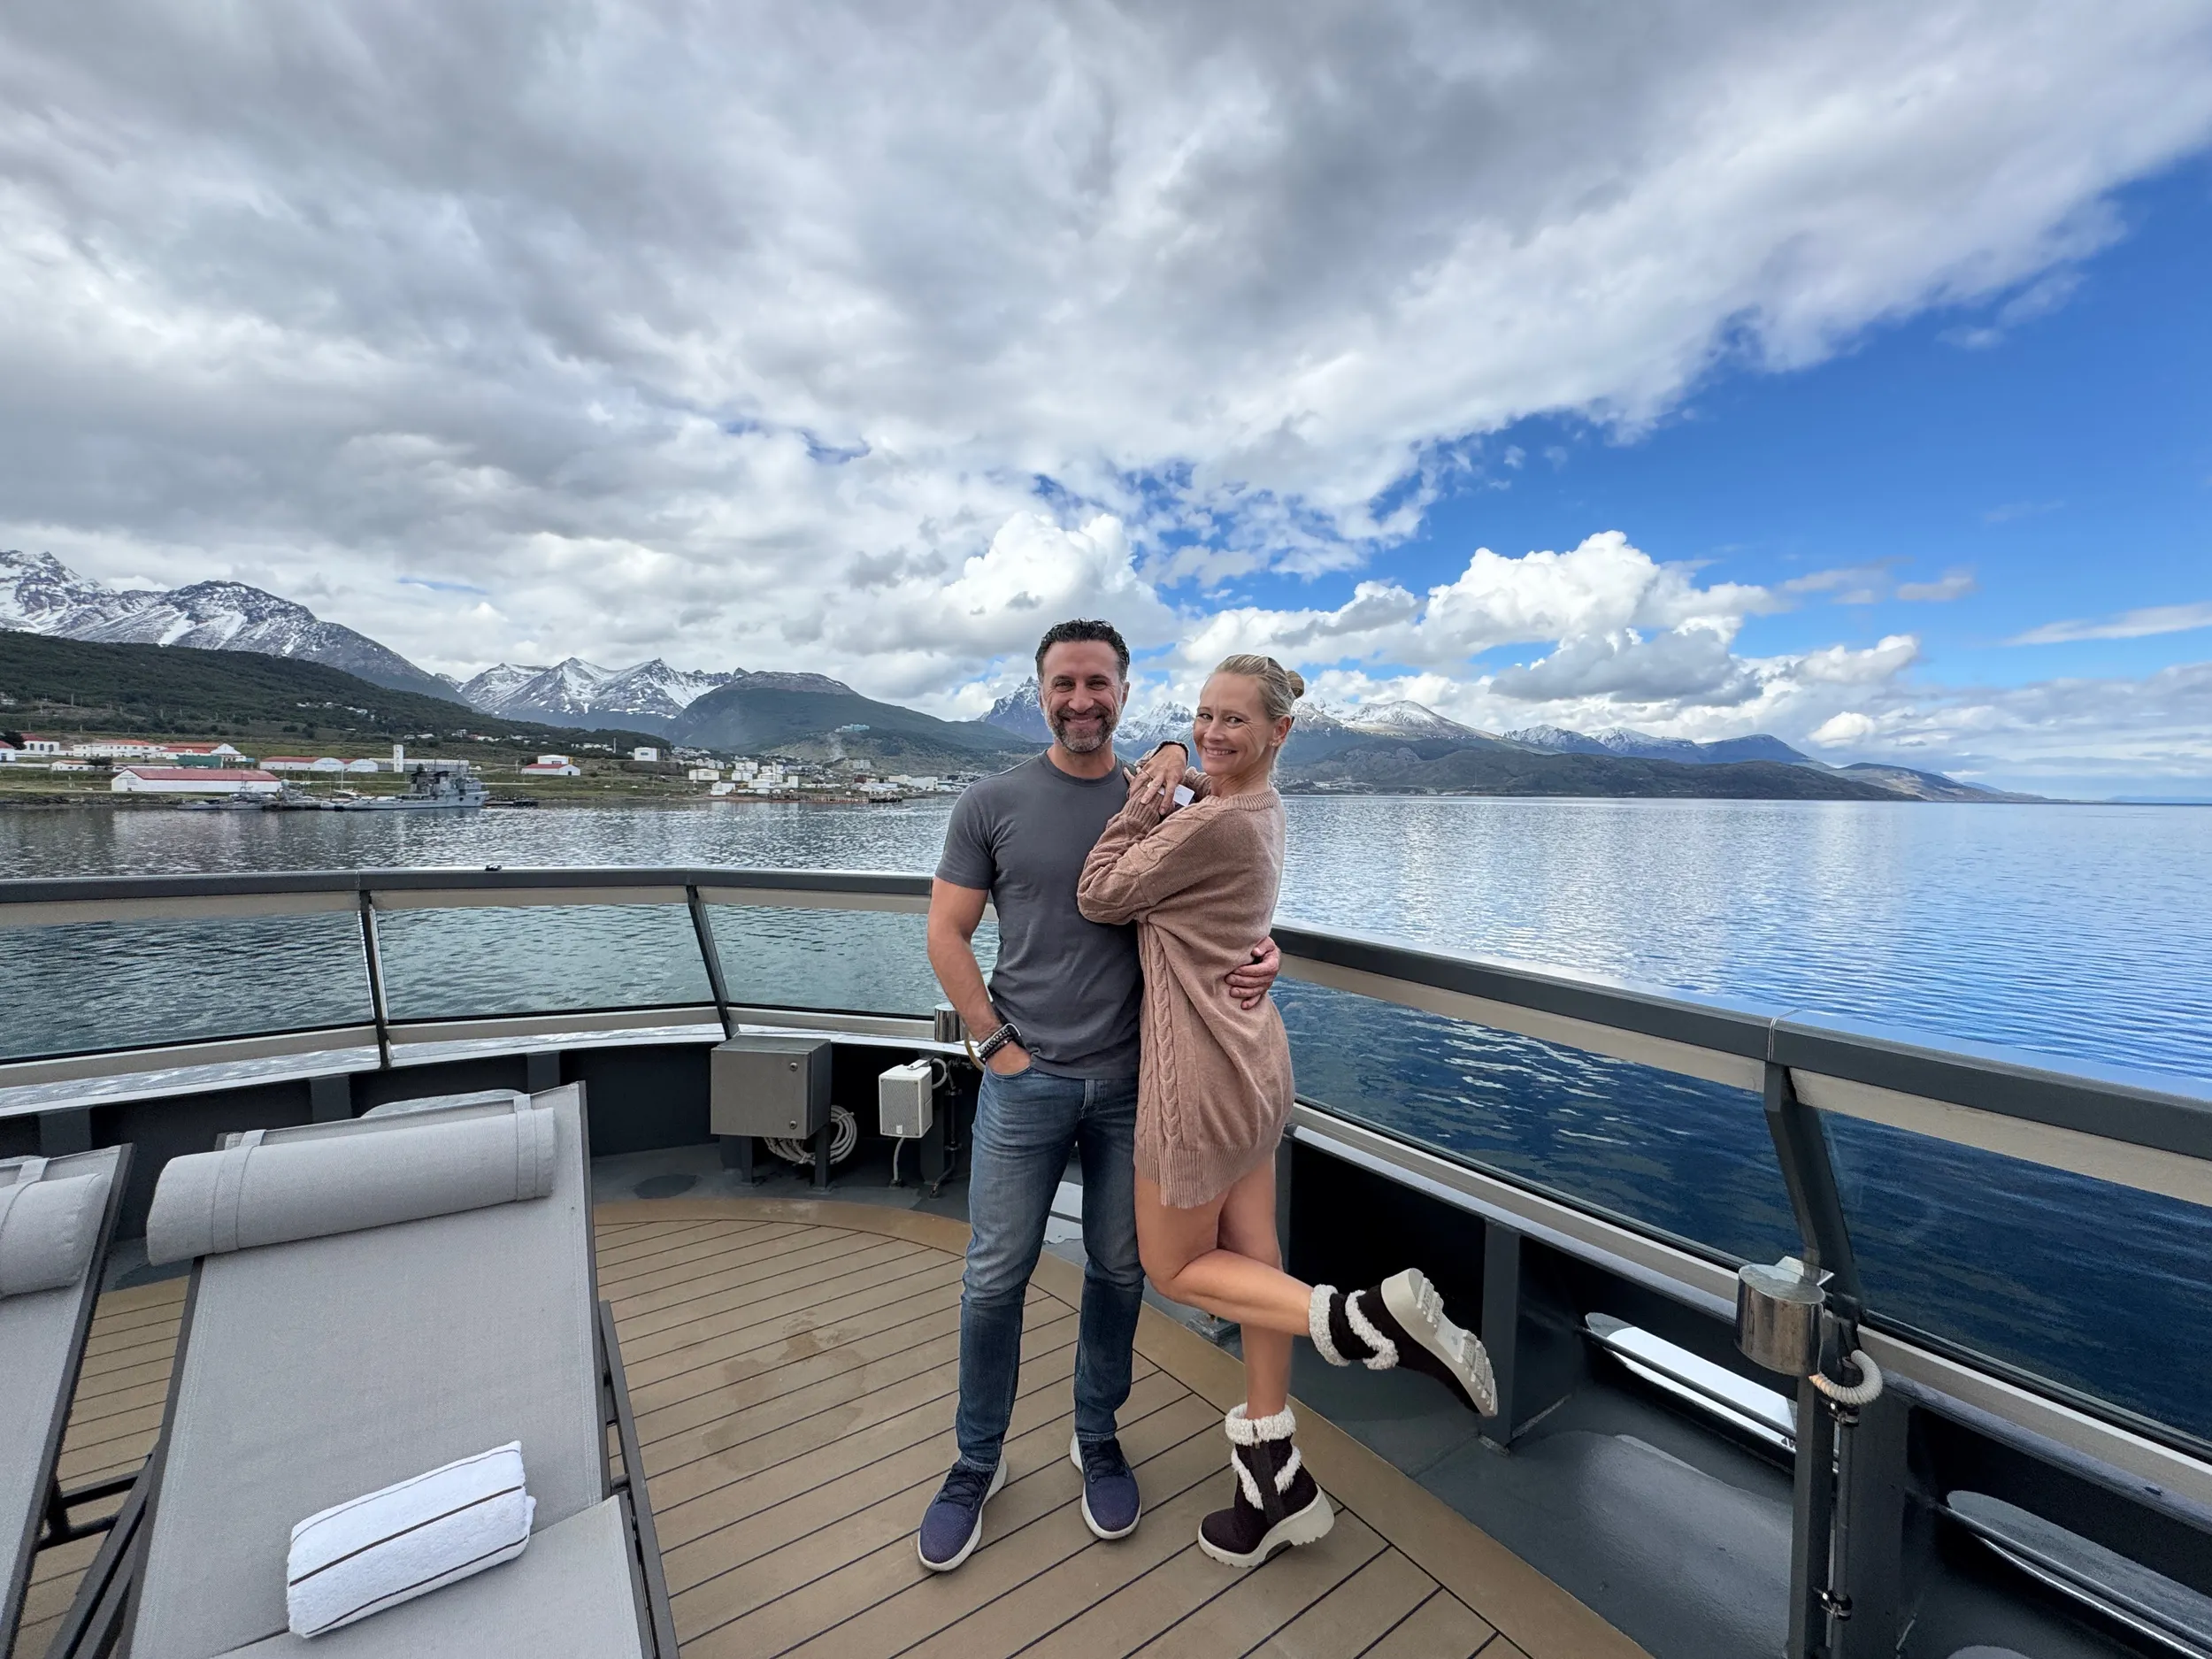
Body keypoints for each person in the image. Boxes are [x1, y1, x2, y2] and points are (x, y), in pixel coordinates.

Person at [1076, 653, 1497, 1569]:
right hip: (1255, 1066)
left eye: (1233, 720)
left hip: (1196, 1076)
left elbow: (1100, 891)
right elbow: (1206, 866)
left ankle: (1362, 1322)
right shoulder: (1259, 810)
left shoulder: (1212, 823)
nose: (1211, 733)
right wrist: (1171, 764)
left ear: (1279, 731)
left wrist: (1143, 800)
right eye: (1201, 716)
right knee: (1253, 1258)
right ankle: (1272, 1480)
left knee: (1176, 1265)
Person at [917, 618, 1282, 1573]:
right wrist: (993, 1046)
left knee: (1121, 1272)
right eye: (1064, 683)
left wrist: (1264, 953)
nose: (1081, 699)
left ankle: (1097, 1434)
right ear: (1040, 691)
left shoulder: (1164, 796)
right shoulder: (990, 802)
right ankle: (975, 1461)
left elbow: (1234, 882)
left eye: (1099, 684)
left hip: (1139, 1086)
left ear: (1124, 691)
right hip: (1023, 1078)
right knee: (994, 1275)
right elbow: (946, 934)